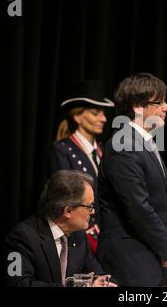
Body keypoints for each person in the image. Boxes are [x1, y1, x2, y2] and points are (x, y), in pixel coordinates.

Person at [96, 72, 167, 286]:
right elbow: (137, 206)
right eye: (159, 102)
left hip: (149, 255)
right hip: (130, 260)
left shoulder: (145, 143)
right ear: (137, 106)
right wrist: (166, 247)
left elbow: (163, 204)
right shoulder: (122, 145)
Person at [4, 170, 115, 287]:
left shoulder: (79, 237)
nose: (93, 211)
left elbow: (96, 274)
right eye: (89, 206)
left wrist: (100, 283)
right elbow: (18, 284)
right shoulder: (22, 237)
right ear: (68, 211)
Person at [51, 80, 114, 254]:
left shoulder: (104, 150)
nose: (103, 118)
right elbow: (66, 196)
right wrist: (89, 230)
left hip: (106, 235)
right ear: (77, 116)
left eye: (103, 113)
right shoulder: (63, 150)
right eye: (95, 113)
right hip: (80, 236)